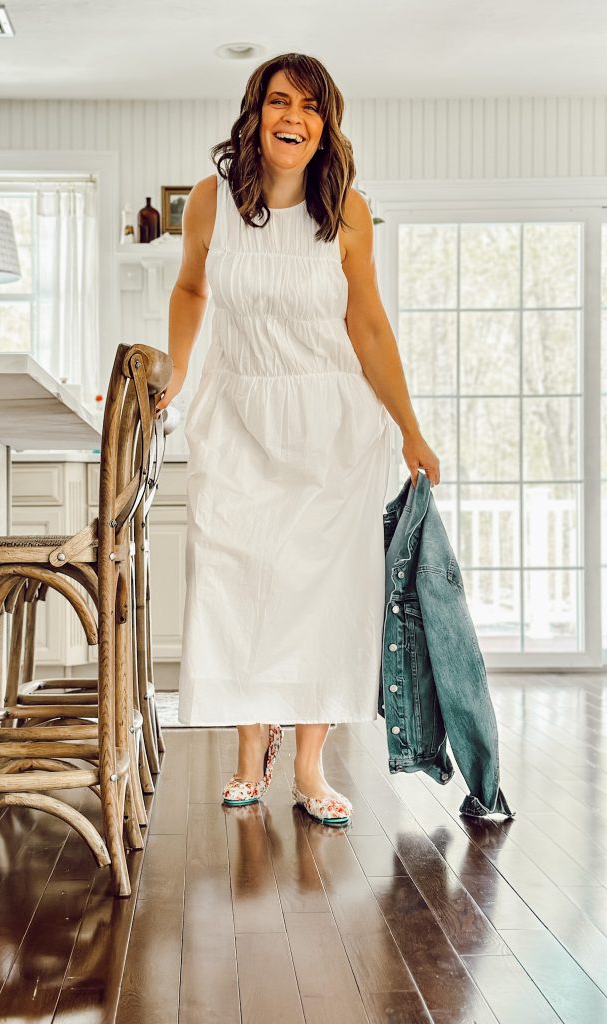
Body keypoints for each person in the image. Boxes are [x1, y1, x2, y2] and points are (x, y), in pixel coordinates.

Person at [155, 52, 440, 826]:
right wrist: (177, 373)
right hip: (239, 412)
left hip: (332, 424)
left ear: (325, 125)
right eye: (279, 101)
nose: (293, 117)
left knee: (325, 594)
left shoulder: (347, 210)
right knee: (234, 578)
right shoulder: (212, 202)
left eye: (310, 107)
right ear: (255, 114)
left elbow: (369, 324)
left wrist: (410, 428)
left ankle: (310, 768)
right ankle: (251, 753)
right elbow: (189, 288)